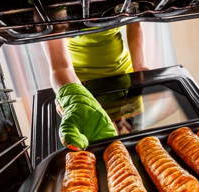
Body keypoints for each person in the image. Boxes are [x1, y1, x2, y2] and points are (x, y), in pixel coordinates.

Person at [43, 16, 149, 150]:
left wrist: (139, 65)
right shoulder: (55, 12)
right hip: (86, 93)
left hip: (125, 85)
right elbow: (60, 67)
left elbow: (134, 22)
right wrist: (74, 98)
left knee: (139, 147)